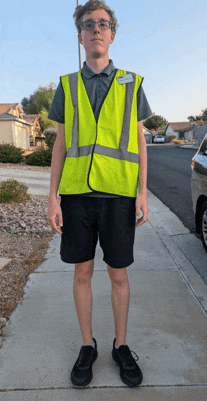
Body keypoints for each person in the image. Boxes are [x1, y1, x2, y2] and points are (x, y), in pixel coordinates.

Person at [47, 0, 152, 389]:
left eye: (103, 24)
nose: (96, 29)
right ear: (80, 36)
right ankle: (88, 345)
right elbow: (60, 143)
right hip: (76, 196)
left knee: (118, 274)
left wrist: (143, 193)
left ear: (112, 34)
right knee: (83, 272)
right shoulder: (67, 85)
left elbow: (140, 141)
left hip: (120, 196)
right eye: (89, 24)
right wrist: (52, 197)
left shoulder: (132, 82)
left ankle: (120, 346)